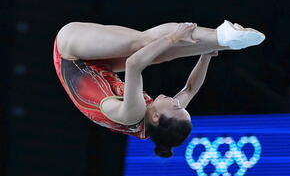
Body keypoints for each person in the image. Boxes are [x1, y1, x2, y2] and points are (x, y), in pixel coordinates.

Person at [54, 21, 264, 155]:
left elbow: (134, 64)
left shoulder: (132, 114)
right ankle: (225, 41)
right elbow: (190, 89)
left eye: (175, 106)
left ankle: (221, 36)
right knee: (160, 55)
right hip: (99, 66)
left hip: (70, 52)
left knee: (143, 44)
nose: (176, 101)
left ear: (156, 117)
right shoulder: (156, 118)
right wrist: (207, 55)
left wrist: (172, 38)